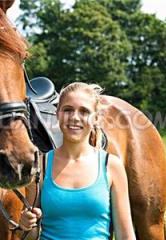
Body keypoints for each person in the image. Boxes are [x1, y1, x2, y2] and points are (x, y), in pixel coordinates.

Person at [20, 82, 136, 240]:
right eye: (68, 110)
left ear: (95, 118)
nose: (75, 117)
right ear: (57, 114)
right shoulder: (40, 165)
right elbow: (30, 237)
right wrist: (27, 225)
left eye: (84, 111)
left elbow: (125, 235)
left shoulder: (111, 166)